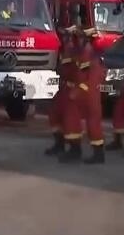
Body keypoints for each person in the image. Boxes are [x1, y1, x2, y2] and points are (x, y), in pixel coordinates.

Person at [59, 27, 107, 164]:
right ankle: (75, 149)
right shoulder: (79, 52)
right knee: (71, 119)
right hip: (79, 92)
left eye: (80, 38)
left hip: (89, 94)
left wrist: (79, 90)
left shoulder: (92, 55)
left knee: (93, 123)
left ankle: (98, 154)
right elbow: (72, 71)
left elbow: (94, 78)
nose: (77, 40)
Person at [44, 25, 78, 156]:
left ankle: (75, 149)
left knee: (71, 118)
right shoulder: (64, 49)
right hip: (63, 87)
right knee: (54, 113)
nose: (63, 38)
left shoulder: (75, 50)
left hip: (72, 88)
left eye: (66, 36)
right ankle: (59, 144)